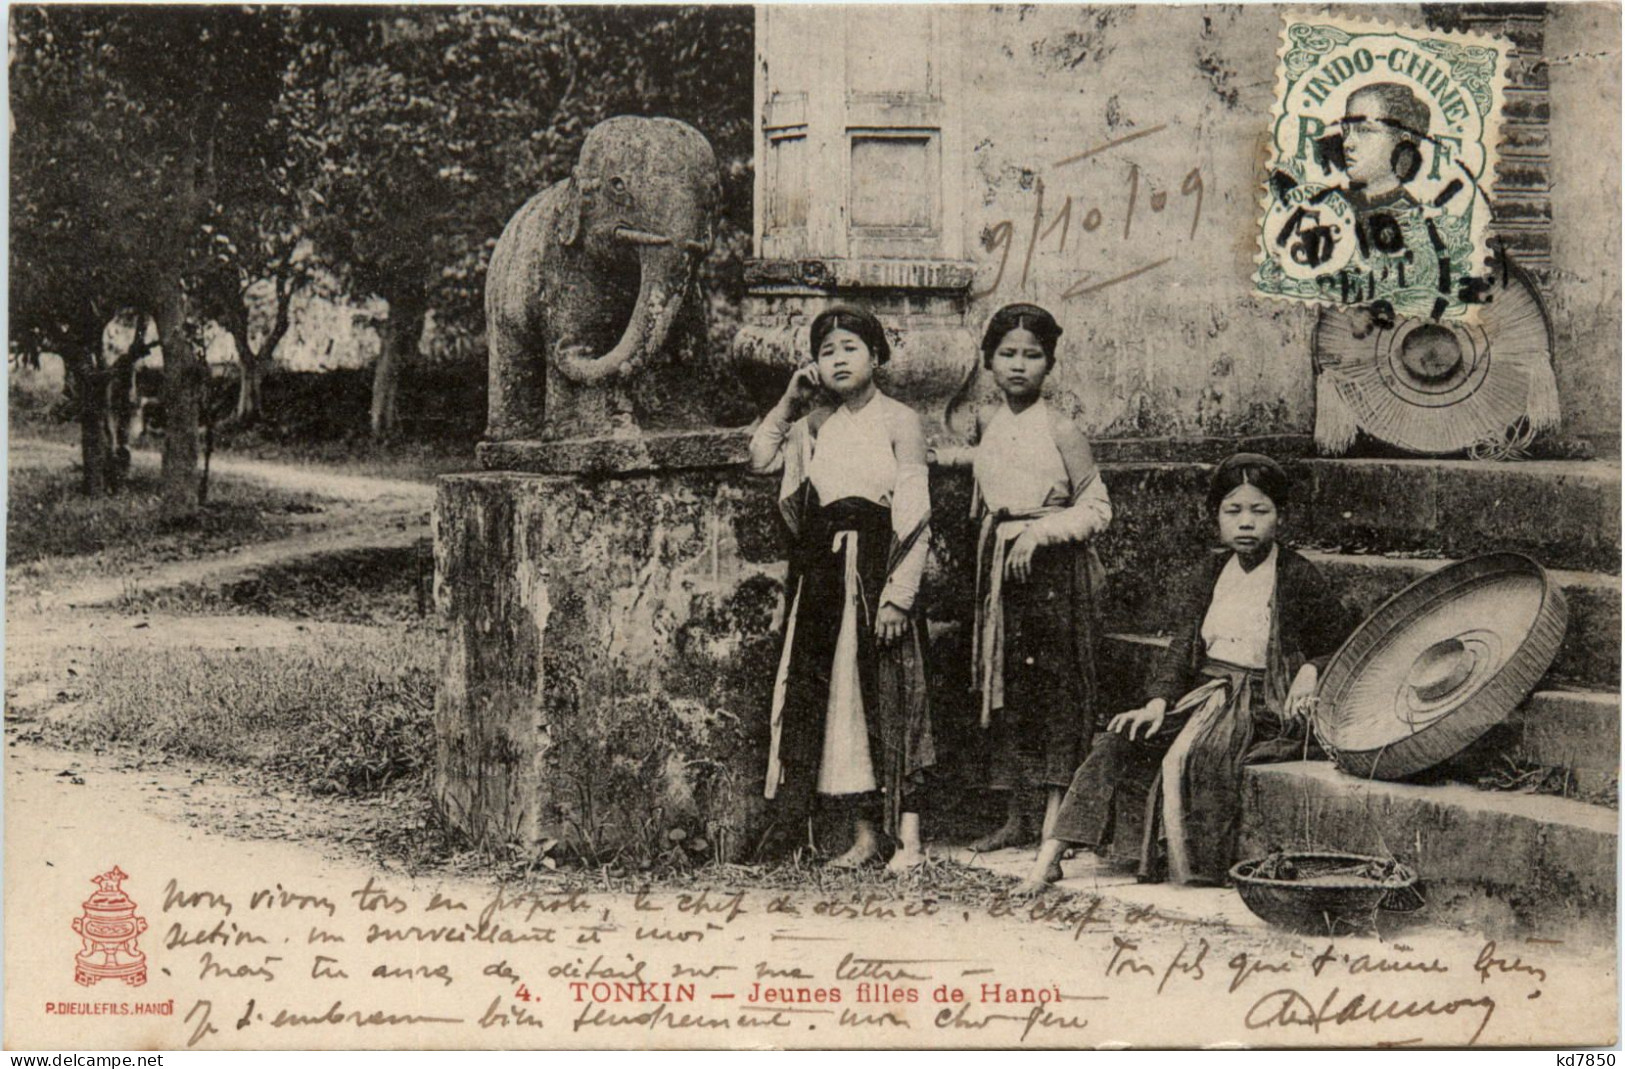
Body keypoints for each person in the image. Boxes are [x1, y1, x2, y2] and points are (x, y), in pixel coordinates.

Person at [1014, 453, 1356, 895]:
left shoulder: (1296, 576)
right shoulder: (1211, 572)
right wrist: (1157, 701)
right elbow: (1182, 646)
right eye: (1233, 511)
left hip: (1261, 703)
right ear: (1216, 517)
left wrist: (1311, 669)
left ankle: (1192, 862)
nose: (1246, 523)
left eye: (1260, 511)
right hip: (1204, 694)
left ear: (1281, 518)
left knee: (1203, 754)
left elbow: (1341, 644)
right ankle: (1051, 855)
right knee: (1122, 736)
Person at [748, 305, 935, 873]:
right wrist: (788, 401)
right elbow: (760, 458)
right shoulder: (814, 427)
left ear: (876, 356)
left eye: (850, 347)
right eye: (826, 352)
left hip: (880, 572)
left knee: (893, 694)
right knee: (839, 707)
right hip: (825, 577)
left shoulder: (900, 420)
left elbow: (915, 509)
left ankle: (910, 837)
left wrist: (899, 595)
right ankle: (862, 836)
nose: (839, 359)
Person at [965, 304, 1110, 875]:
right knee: (1005, 691)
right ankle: (1016, 816)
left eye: (1032, 355)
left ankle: (1056, 823)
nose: (1019, 365)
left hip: (1055, 577)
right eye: (1008, 354)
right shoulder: (986, 422)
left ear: (1049, 363)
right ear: (988, 361)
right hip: (999, 573)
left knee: (1055, 695)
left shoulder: (1061, 427)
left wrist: (1041, 532)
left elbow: (1098, 506)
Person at [1337, 82, 1430, 218]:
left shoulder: (1413, 221)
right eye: (1346, 131)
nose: (1347, 143)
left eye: (1364, 130)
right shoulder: (1334, 204)